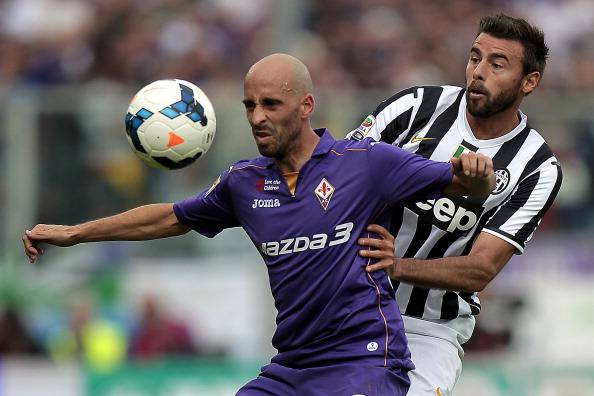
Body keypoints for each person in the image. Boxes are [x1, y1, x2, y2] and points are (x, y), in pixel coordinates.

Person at [23, 53, 495, 395]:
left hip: (367, 358)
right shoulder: (243, 184)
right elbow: (168, 218)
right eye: (250, 106)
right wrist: (74, 233)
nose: (258, 117)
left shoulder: (366, 163)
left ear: (306, 106)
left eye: (271, 104)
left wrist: (477, 174)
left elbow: (460, 184)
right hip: (293, 367)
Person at [351, 14, 563, 396]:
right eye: (475, 57)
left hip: (429, 331)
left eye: (497, 64)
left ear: (529, 81)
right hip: (352, 303)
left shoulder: (536, 167)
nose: (478, 72)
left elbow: (481, 269)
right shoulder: (415, 106)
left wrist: (395, 265)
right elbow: (340, 171)